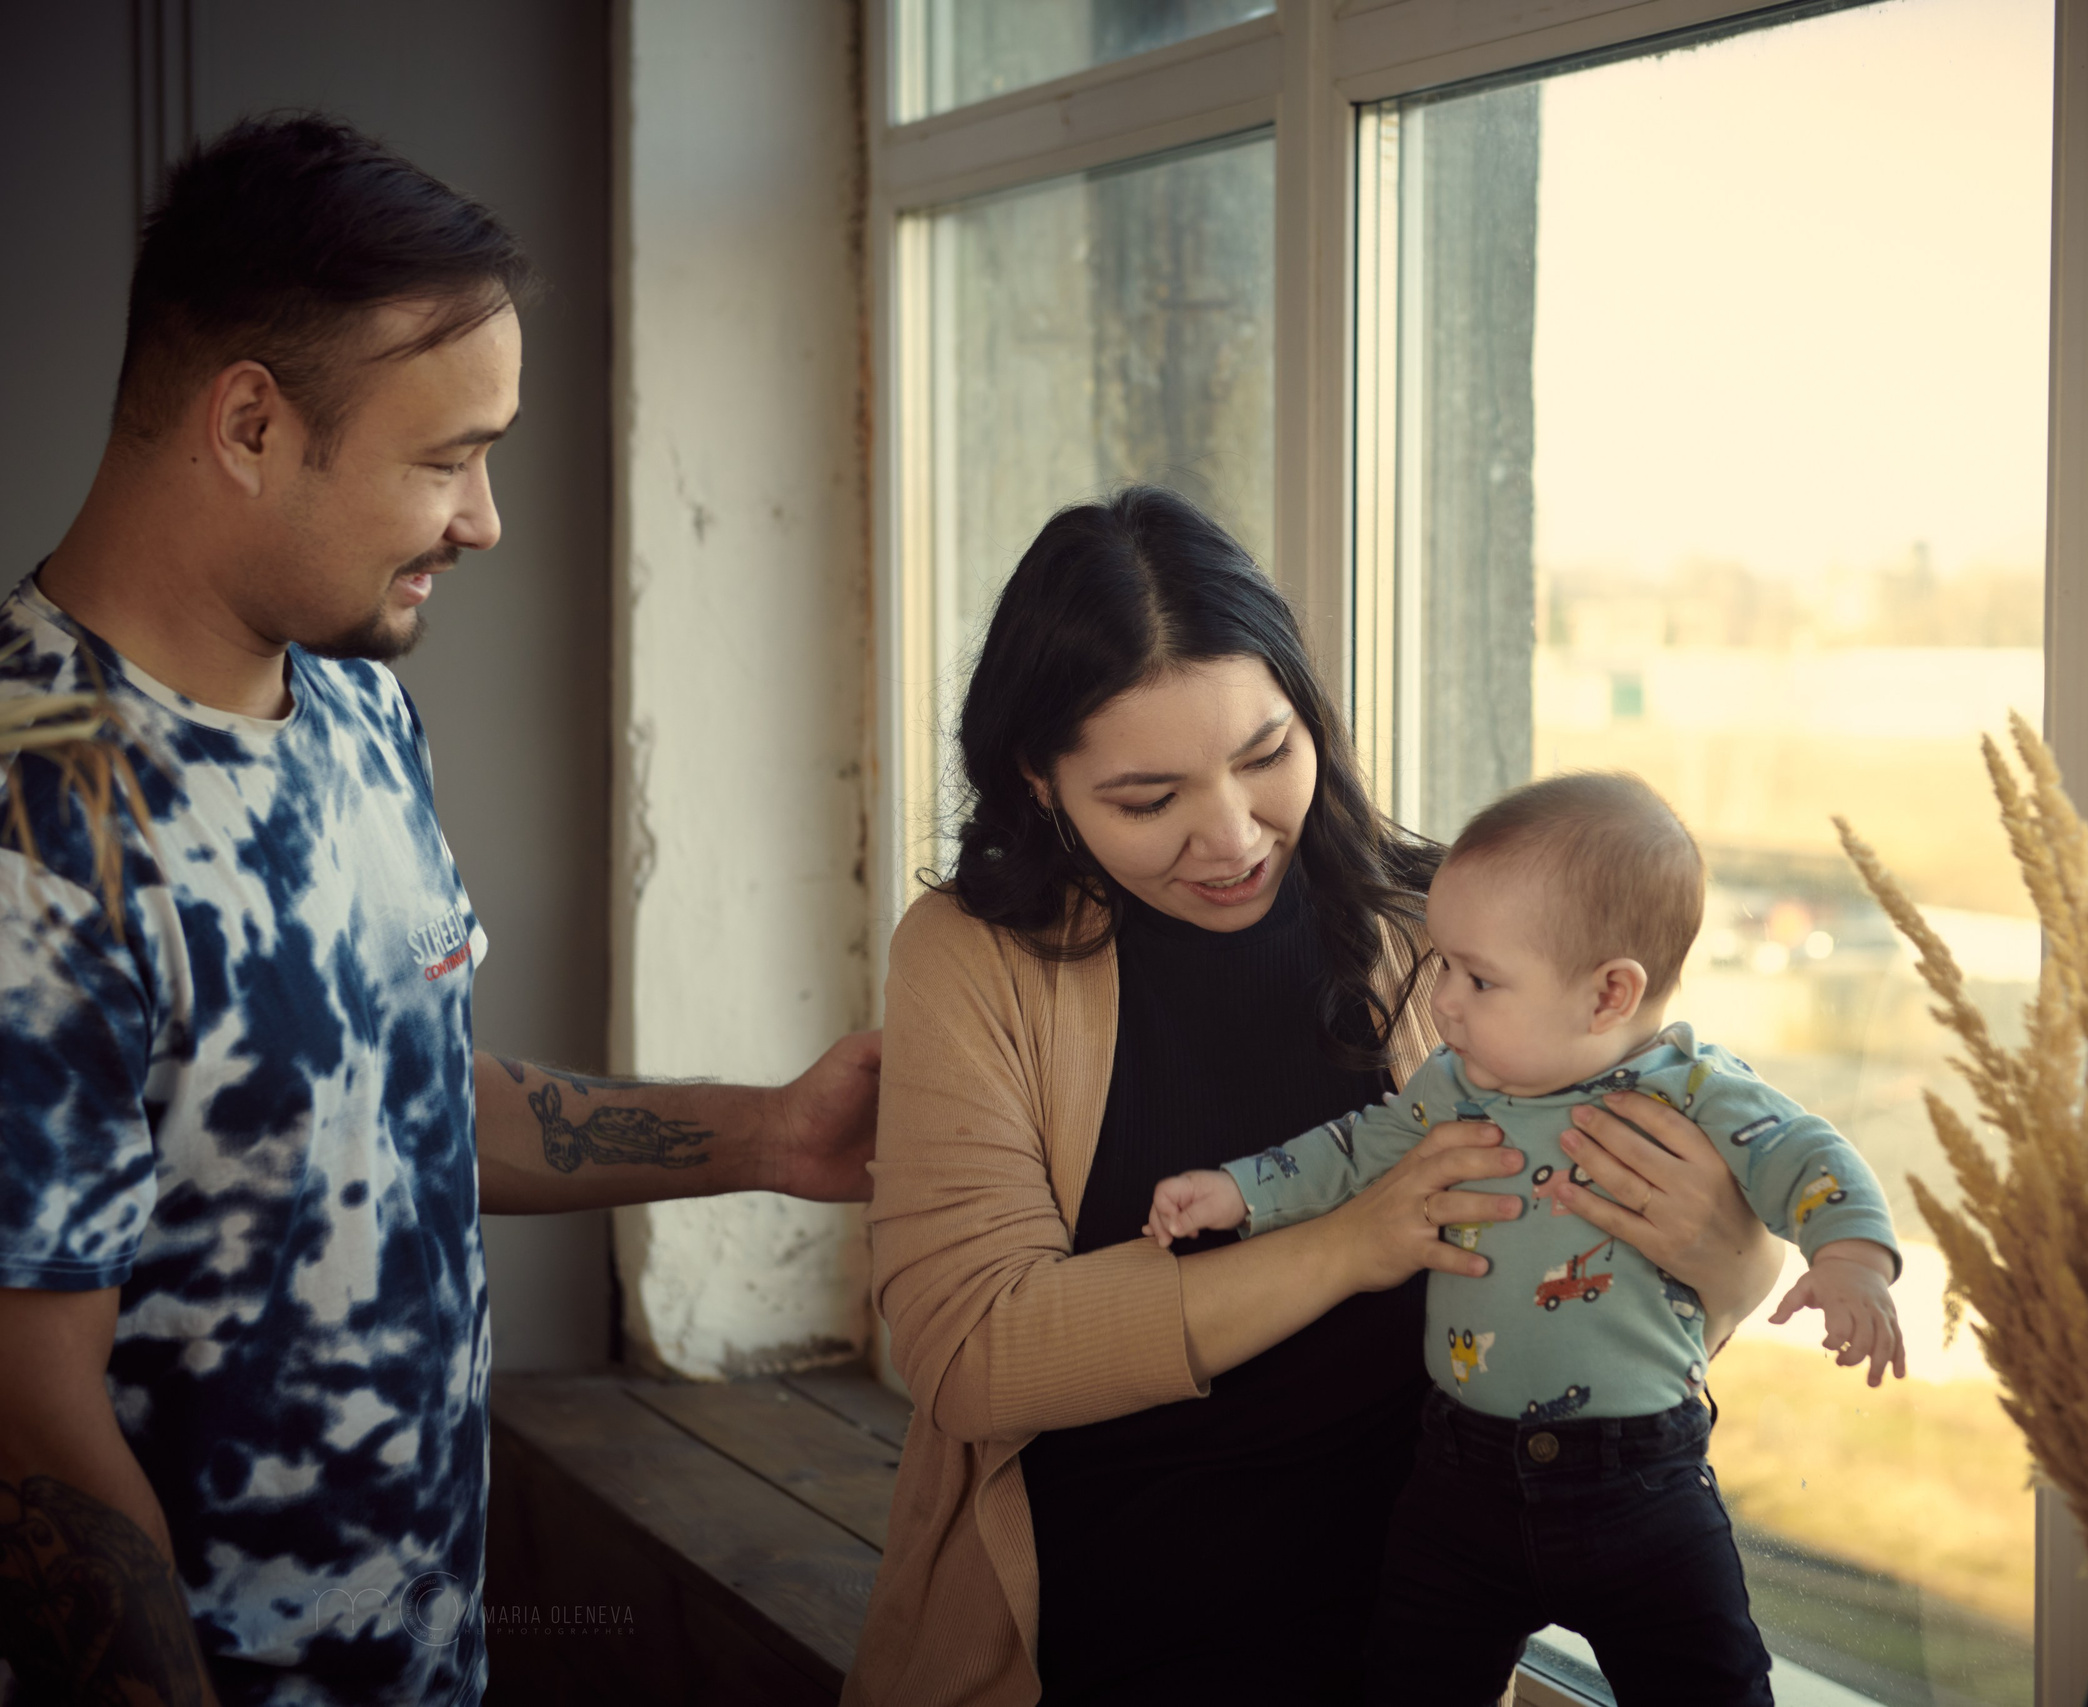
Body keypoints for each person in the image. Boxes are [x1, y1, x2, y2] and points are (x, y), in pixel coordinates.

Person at [0, 115, 880, 1707]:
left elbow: (397, 1105)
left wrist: (770, 1135)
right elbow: (27, 1428)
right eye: (446, 457)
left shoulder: (351, 704)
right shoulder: (36, 817)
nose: (483, 520)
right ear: (251, 424)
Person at [848, 487, 1789, 1707]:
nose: (1233, 837)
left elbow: (1607, 1317)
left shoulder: (1447, 938)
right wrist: (1348, 1244)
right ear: (1038, 780)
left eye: (1265, 756)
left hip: (1409, 1645)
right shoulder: (972, 956)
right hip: (1094, 1648)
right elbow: (974, 1356)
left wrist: (1736, 1264)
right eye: (1148, 801)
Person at [1146, 771, 1907, 1705]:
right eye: (1444, 968)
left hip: (1642, 1486)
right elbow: (1353, 1150)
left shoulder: (1697, 1092)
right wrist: (1237, 1190)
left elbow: (1811, 1156)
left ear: (1608, 994)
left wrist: (1852, 1257)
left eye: (1479, 978)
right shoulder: (1455, 1083)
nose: (1445, 1002)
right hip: (1458, 1480)